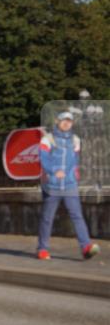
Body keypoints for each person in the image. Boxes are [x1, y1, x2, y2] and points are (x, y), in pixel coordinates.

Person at [37, 111, 100, 261]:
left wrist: (74, 173)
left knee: (77, 215)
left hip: (70, 184)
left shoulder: (75, 140)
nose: (66, 123)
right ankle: (42, 249)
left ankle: (86, 247)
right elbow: (43, 158)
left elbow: (75, 159)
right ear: (58, 121)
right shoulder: (48, 139)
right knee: (47, 218)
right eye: (64, 120)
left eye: (69, 121)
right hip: (52, 185)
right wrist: (53, 170)